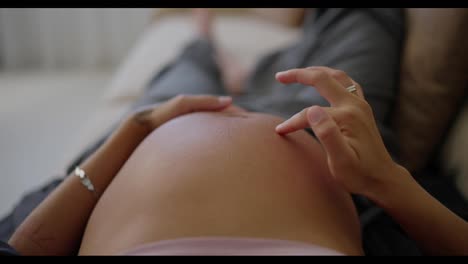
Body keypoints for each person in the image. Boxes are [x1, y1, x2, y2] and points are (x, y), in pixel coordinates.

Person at [5, 8, 465, 255]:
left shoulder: (141, 129)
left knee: (188, 63)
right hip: (317, 136)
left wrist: (136, 127)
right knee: (364, 16)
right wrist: (383, 180)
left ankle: (210, 47)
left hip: (155, 133)